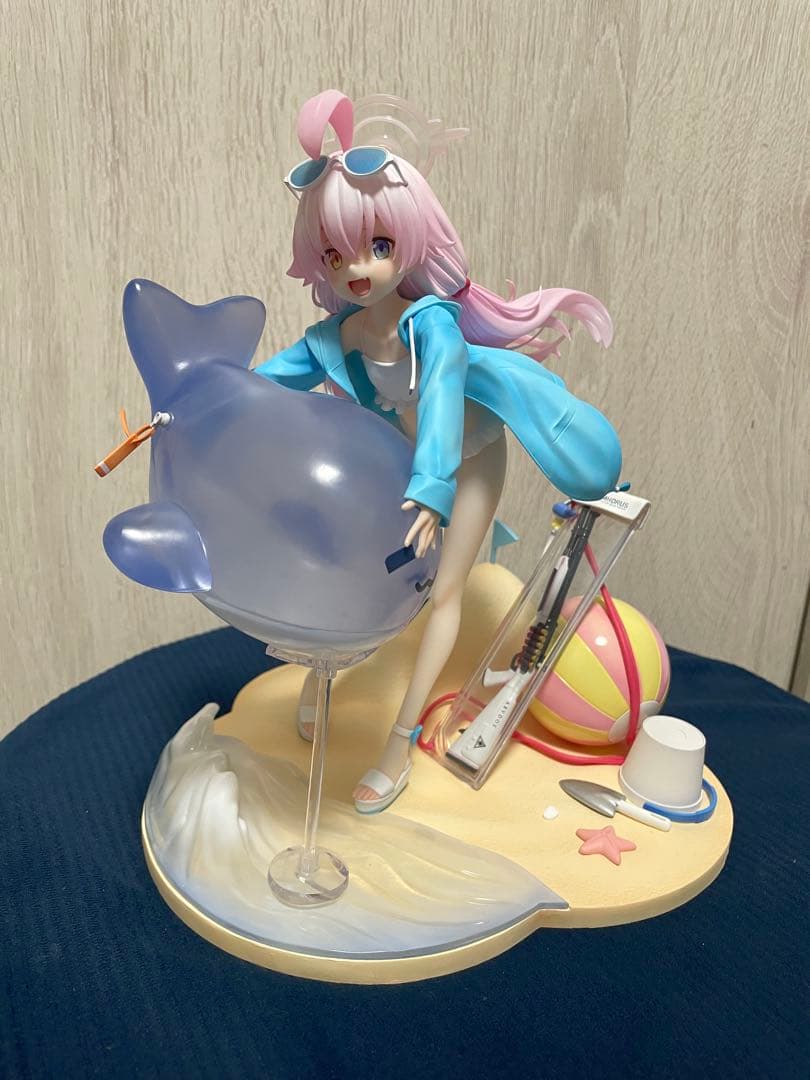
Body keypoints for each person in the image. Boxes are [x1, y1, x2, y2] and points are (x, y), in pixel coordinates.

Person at [255, 90, 621, 813]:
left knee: (442, 591)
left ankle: (398, 746)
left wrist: (432, 488)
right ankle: (322, 676)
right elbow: (263, 384)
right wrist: (196, 404)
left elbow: (448, 396)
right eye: (334, 254)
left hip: (467, 456)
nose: (356, 268)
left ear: (410, 239)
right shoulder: (336, 337)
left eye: (377, 246)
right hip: (398, 455)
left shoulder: (432, 323)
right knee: (357, 566)